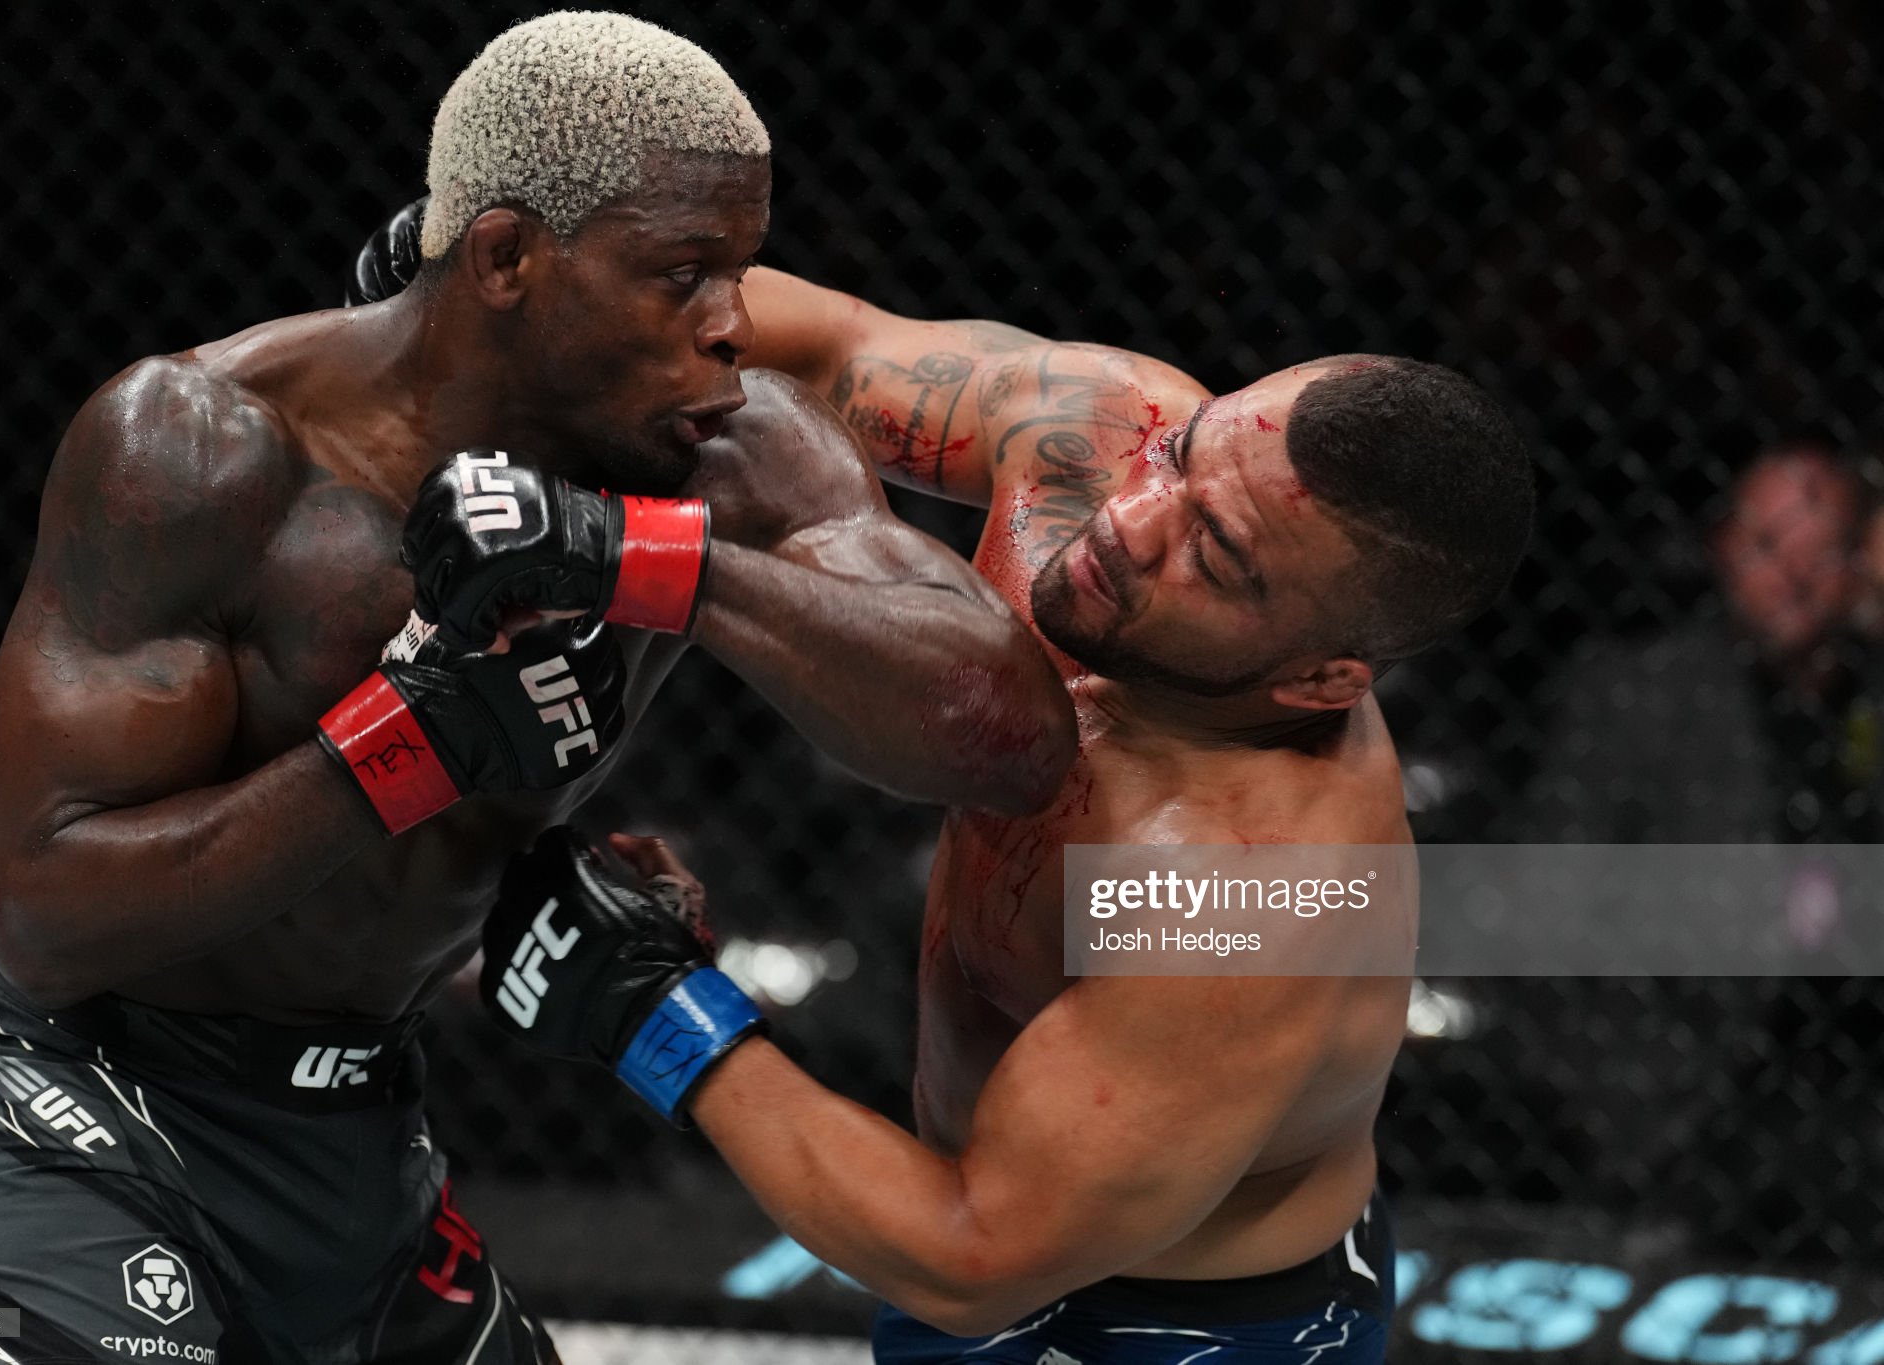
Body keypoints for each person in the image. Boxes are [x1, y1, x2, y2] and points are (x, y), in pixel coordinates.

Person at [0, 15, 1075, 1365]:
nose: (734, 324)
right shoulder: (204, 450)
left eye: (738, 268)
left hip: (362, 1135)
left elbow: (1009, 736)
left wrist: (638, 558)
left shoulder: (718, 456)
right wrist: (411, 742)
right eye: (682, 274)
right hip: (79, 1103)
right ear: (504, 260)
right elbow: (45, 918)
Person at [472, 269, 1538, 1362]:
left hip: (1181, 1324)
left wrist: (651, 1005)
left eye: (1213, 553)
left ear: (1320, 680)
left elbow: (967, 1256)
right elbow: (821, 347)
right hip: (996, 1218)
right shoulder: (1108, 424)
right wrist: (497, 308)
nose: (1130, 519)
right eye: (1179, 455)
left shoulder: (1239, 899)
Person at [1524, 443, 1879, 843]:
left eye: (1821, 551)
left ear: (1859, 560)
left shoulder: (1867, 689)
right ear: (1723, 545)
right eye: (1767, 545)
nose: (1793, 575)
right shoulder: (1632, 693)